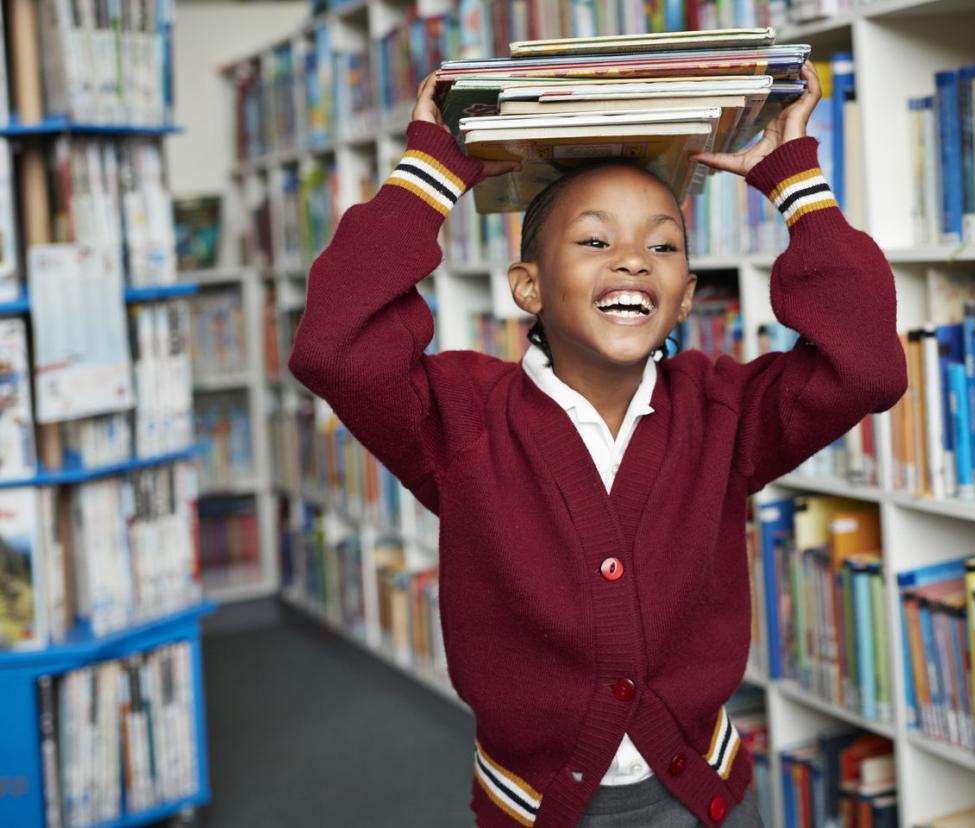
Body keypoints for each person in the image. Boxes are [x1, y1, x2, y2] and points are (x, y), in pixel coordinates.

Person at [289, 62, 906, 828]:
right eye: (593, 239)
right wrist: (429, 175)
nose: (632, 260)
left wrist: (796, 187)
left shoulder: (728, 413)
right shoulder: (458, 418)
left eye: (664, 247)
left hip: (705, 797)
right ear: (528, 288)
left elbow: (867, 365)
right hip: (537, 807)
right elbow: (335, 347)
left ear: (683, 298)